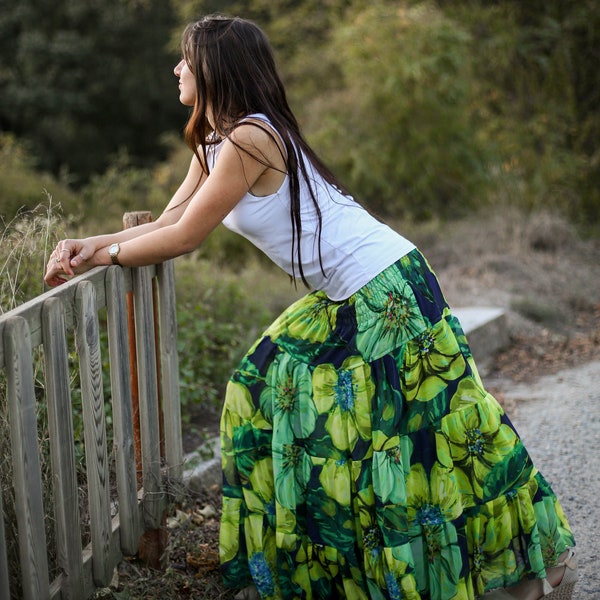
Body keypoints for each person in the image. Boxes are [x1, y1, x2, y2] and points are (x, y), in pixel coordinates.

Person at [44, 14, 577, 600]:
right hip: (346, 296)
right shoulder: (217, 141)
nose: (176, 69)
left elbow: (187, 238)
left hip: (387, 289)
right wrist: (89, 247)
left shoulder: (251, 138)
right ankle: (316, 571)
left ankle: (536, 572)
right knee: (258, 388)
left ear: (215, 70)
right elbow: (169, 219)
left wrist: (106, 253)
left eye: (185, 60)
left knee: (430, 438)